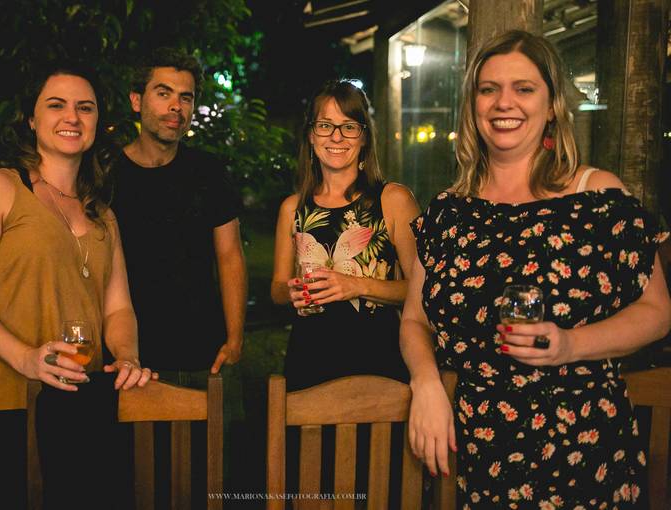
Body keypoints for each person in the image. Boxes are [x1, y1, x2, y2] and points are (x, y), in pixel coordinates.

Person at [400, 30, 671, 508]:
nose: (505, 102)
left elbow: (657, 311)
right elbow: (415, 320)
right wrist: (425, 383)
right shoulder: (449, 212)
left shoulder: (596, 195)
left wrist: (571, 344)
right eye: (489, 89)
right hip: (484, 449)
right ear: (474, 106)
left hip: (587, 446)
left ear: (552, 106)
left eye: (524, 88)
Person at [0, 64, 153, 509]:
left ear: (98, 121)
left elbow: (117, 309)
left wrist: (127, 355)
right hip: (7, 394)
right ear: (32, 120)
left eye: (85, 107)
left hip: (82, 397)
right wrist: (25, 357)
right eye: (56, 105)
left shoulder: (102, 214)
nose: (71, 117)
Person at [270, 79, 420, 498]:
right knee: (312, 484)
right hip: (309, 362)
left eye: (348, 126)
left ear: (364, 136)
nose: (336, 137)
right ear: (310, 135)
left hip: (378, 362)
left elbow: (422, 291)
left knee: (378, 484)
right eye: (325, 125)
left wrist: (355, 285)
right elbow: (277, 289)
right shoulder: (292, 208)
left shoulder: (392, 200)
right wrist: (292, 293)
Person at [109, 47, 247, 501]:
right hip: (129, 360)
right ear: (136, 100)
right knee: (136, 484)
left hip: (201, 357)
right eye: (163, 93)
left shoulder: (208, 172)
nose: (175, 107)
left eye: (185, 97)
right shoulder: (105, 175)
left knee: (208, 484)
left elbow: (229, 256)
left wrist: (234, 337)